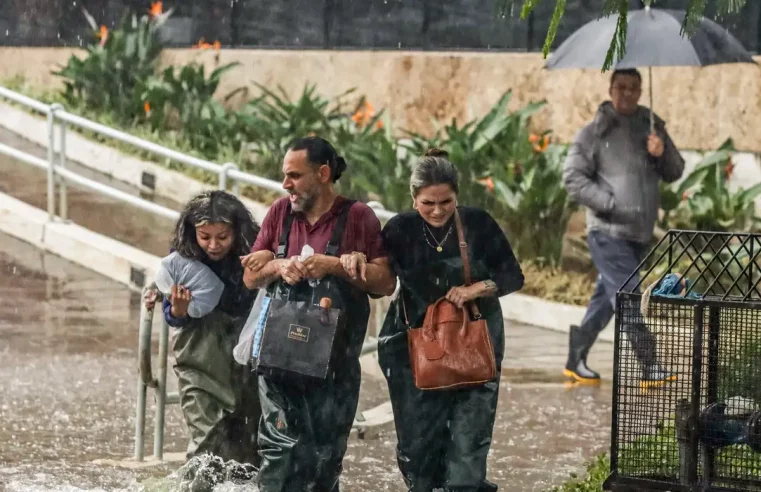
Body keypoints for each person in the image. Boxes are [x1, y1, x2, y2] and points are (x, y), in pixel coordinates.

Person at [241, 136, 396, 492]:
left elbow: (386, 282)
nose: (286, 185)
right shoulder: (280, 212)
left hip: (335, 368)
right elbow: (250, 276)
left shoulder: (358, 217)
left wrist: (337, 266)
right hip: (279, 361)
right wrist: (279, 266)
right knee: (281, 454)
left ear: (323, 173)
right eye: (284, 176)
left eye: (294, 175)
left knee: (324, 463)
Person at [376, 149, 524, 491]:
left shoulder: (478, 223)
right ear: (414, 199)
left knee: (470, 441)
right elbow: (381, 280)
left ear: (457, 195)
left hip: (475, 343)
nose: (438, 210)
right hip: (415, 346)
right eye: (429, 203)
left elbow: (513, 276)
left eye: (447, 201)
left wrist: (477, 289)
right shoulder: (399, 229)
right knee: (417, 447)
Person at [562, 68, 685, 386]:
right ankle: (650, 365)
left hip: (639, 233)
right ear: (611, 89)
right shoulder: (594, 133)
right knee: (628, 295)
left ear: (641, 91)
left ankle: (575, 360)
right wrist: (610, 203)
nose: (628, 93)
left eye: (634, 88)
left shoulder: (653, 128)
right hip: (607, 231)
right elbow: (573, 178)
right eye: (622, 87)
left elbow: (675, 171)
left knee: (605, 298)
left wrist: (662, 153)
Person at [144, 190, 261, 469]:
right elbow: (173, 316)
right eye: (205, 237)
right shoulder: (183, 258)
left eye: (222, 237)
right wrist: (178, 309)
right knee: (205, 442)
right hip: (199, 362)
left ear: (237, 232)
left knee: (247, 441)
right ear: (191, 233)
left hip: (244, 358)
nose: (213, 245)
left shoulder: (253, 254)